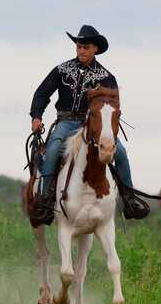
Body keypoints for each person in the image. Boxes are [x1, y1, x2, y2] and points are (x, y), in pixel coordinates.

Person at [30, 25, 134, 198]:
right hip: (66, 122)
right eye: (79, 46)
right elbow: (42, 93)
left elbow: (114, 107)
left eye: (86, 47)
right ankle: (45, 197)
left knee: (120, 152)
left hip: (93, 125)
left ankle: (130, 198)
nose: (81, 50)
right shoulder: (62, 70)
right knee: (53, 149)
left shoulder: (106, 77)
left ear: (95, 49)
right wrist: (36, 116)